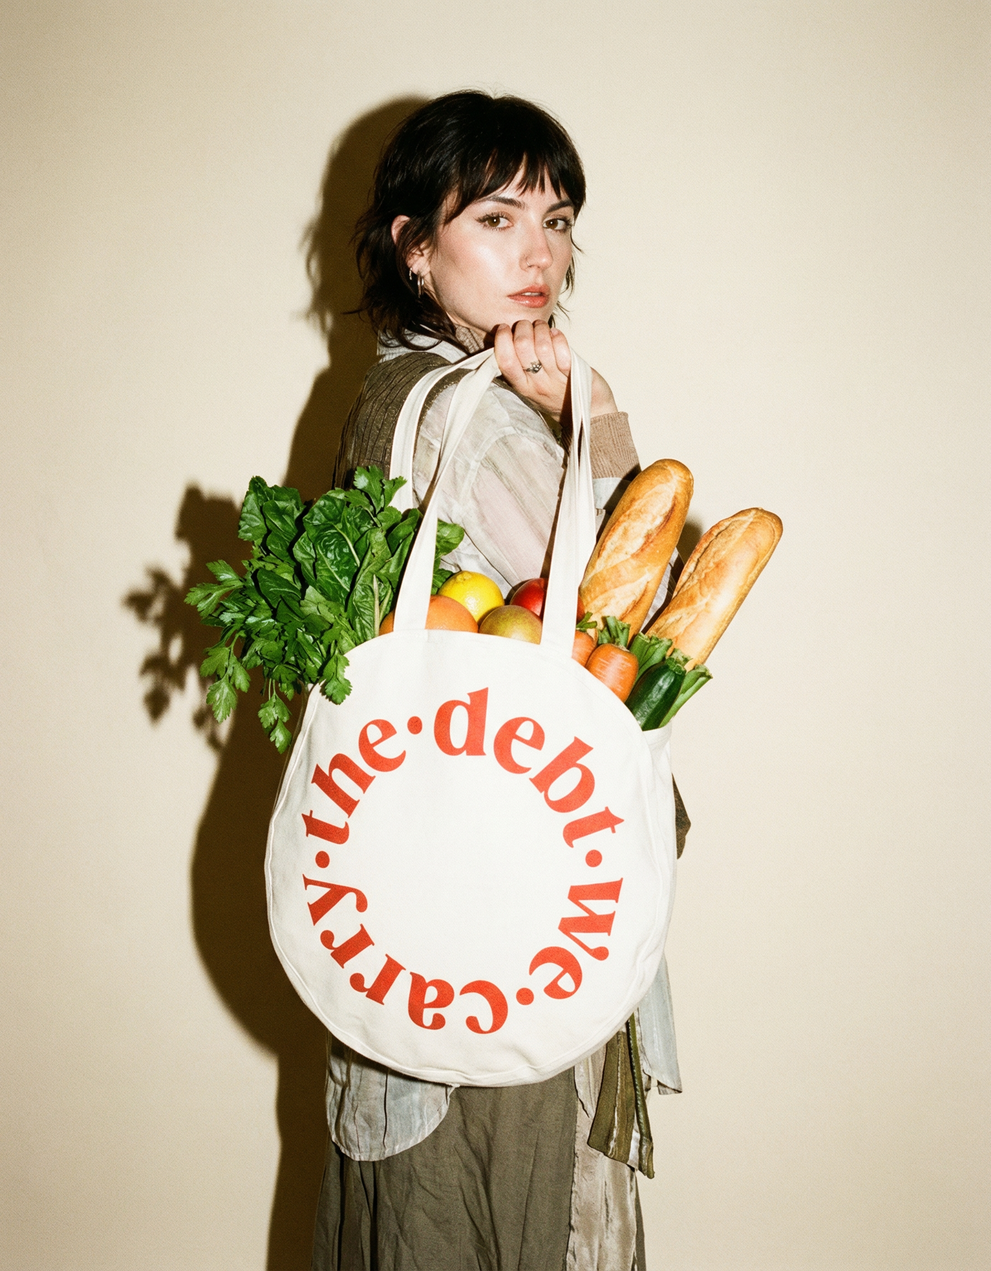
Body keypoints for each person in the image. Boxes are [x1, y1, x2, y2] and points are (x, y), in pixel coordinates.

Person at [308, 91, 688, 1271]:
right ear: (416, 248)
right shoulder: (460, 418)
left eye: (559, 217)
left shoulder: (397, 395)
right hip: (506, 910)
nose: (541, 251)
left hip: (436, 908)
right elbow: (646, 619)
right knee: (510, 1210)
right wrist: (595, 416)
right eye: (496, 215)